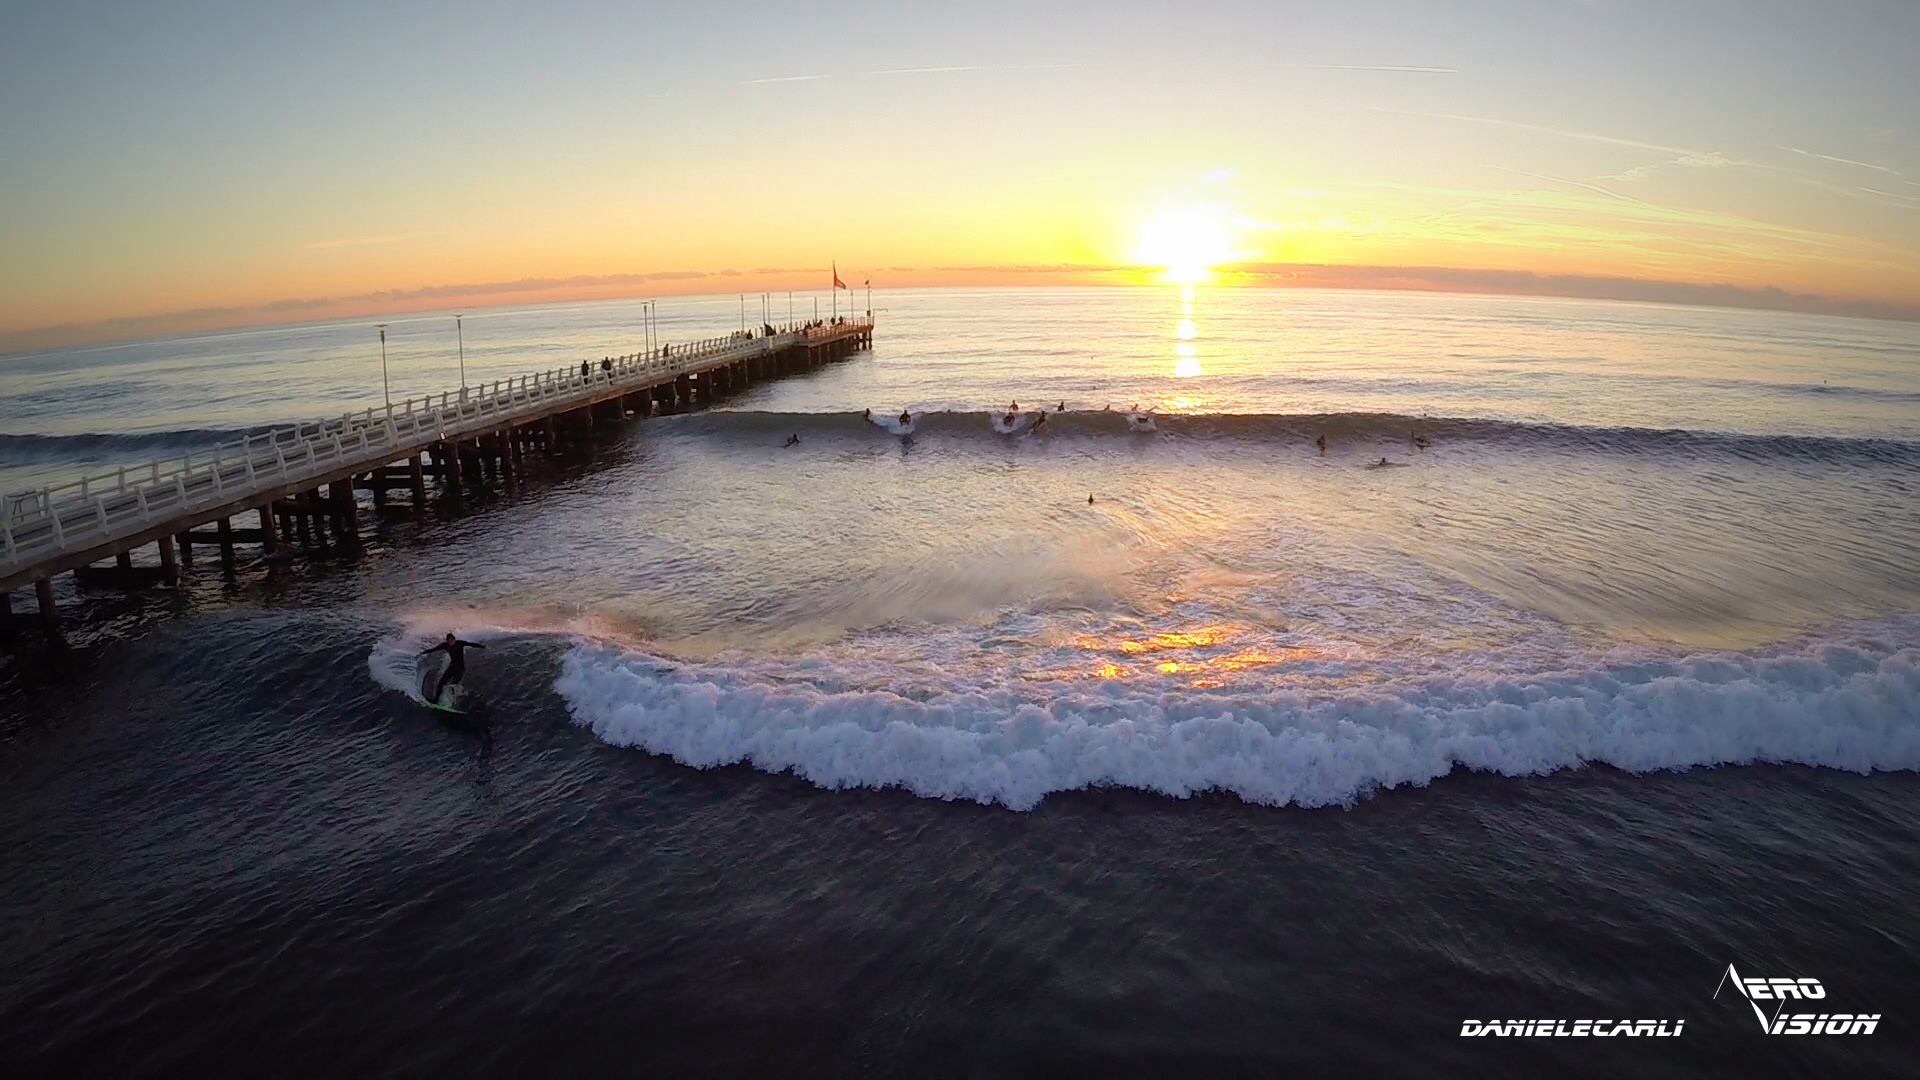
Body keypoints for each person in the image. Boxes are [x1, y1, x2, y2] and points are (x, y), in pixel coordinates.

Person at [419, 632, 486, 704]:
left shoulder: (460, 643)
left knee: (453, 684)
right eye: (449, 641)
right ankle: (435, 700)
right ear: (447, 641)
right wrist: (423, 652)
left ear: (454, 639)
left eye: (452, 641)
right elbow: (434, 649)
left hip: (460, 668)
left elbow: (471, 644)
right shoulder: (445, 645)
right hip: (452, 667)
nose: (451, 643)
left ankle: (454, 701)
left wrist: (482, 646)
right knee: (441, 683)